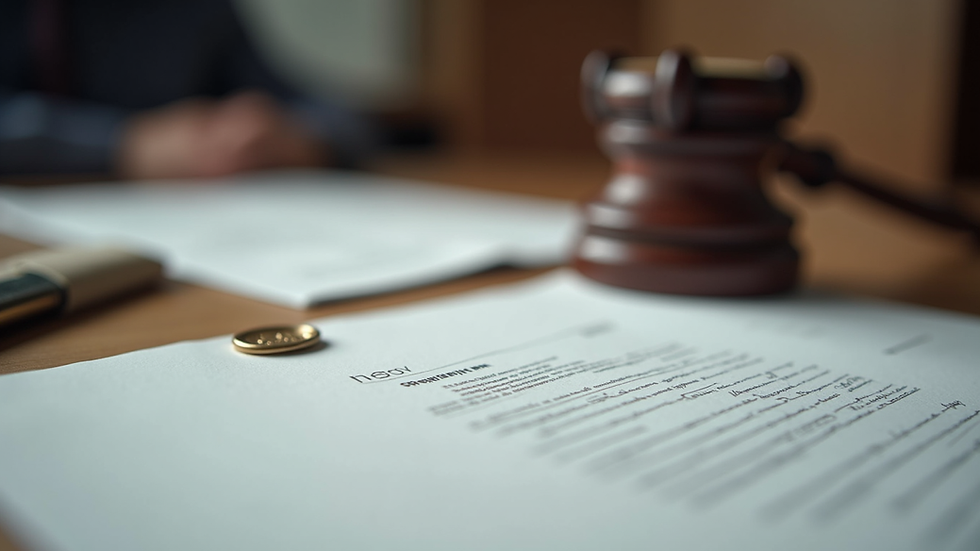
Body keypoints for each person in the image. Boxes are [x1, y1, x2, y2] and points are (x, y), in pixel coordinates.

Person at [0, 0, 376, 179]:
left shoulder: (196, 11)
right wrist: (127, 144)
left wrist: (298, 137)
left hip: (192, 227)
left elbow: (336, 114)